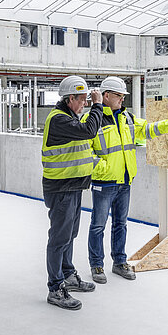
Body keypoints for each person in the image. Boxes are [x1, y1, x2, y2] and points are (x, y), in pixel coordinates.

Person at [81, 76, 168, 283]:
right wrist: (103, 167)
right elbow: (83, 152)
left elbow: (146, 130)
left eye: (123, 96)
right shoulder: (92, 119)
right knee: (98, 225)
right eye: (119, 95)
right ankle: (97, 265)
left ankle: (119, 262)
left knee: (121, 224)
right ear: (106, 96)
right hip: (104, 182)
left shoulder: (127, 118)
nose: (122, 100)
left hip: (124, 182)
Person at [42, 75, 103, 311]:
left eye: (87, 100)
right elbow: (89, 130)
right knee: (59, 238)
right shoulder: (59, 120)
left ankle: (67, 274)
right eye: (82, 100)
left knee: (69, 235)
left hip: (74, 185)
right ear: (70, 99)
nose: (85, 104)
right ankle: (55, 288)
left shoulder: (68, 117)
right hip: (61, 188)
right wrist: (98, 104)